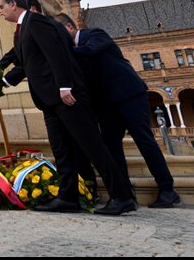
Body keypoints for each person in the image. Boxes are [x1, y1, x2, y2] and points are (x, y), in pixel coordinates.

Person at [0, 0, 136, 215]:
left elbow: (56, 53)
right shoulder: (22, 30)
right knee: (62, 149)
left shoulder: (36, 21)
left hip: (65, 96)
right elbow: (27, 64)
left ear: (13, 4)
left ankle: (122, 197)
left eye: (2, 7)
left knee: (92, 145)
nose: (1, 12)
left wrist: (64, 86)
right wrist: (0, 82)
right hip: (48, 100)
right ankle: (68, 197)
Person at [59, 14, 181, 208]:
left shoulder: (94, 34)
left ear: (69, 27)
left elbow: (91, 51)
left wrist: (62, 53)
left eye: (59, 32)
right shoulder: (75, 50)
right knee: (111, 147)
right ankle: (125, 194)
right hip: (106, 104)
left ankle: (167, 189)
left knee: (144, 141)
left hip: (129, 95)